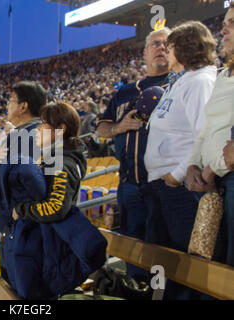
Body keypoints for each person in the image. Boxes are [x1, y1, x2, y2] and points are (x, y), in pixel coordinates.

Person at [143, 21, 217, 299]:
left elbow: (204, 134)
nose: (166, 51)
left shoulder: (199, 82)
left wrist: (177, 173)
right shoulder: (183, 80)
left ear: (183, 49)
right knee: (170, 263)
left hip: (182, 189)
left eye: (170, 46)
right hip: (166, 187)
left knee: (190, 266)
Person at [6, 102, 106, 299]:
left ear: (60, 130)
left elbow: (56, 208)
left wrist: (22, 210)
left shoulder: (63, 163)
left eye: (44, 124)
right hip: (49, 248)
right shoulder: (55, 158)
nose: (38, 129)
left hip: (55, 253)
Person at [96, 27, 171, 283]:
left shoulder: (179, 84)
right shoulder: (126, 91)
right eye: (156, 44)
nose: (161, 48)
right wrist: (120, 127)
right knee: (134, 252)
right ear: (145, 52)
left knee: (167, 252)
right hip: (129, 183)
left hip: (166, 183)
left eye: (167, 44)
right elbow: (102, 129)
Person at [0, 81, 47, 282]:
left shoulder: (35, 136)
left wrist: (17, 212)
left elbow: (33, 186)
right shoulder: (18, 134)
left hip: (20, 229)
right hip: (12, 226)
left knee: (22, 286)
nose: (7, 106)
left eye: (11, 101)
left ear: (23, 106)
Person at [186, 3, 234, 268]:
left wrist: (209, 171)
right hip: (213, 184)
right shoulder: (223, 74)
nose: (223, 29)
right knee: (212, 270)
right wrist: (194, 164)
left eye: (232, 23)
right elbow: (208, 126)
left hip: (225, 178)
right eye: (225, 22)